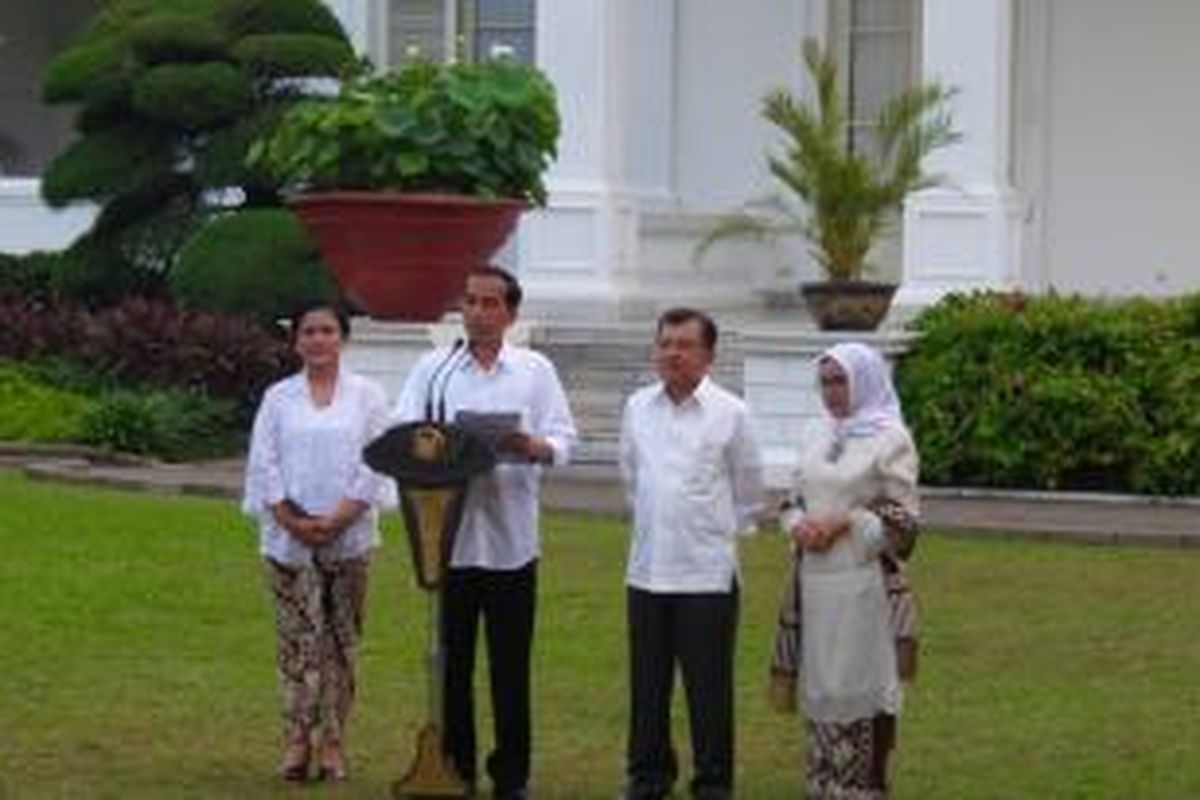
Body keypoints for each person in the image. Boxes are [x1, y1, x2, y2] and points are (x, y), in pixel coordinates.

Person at [393, 266, 577, 800]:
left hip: (512, 542)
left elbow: (565, 439)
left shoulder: (534, 370)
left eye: (489, 303)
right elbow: (401, 430)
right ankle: (457, 768)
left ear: (510, 314)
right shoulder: (435, 369)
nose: (477, 312)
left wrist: (533, 447)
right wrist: (437, 447)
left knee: (510, 667)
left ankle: (511, 776)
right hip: (448, 540)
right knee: (451, 665)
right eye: (469, 301)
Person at [242, 302, 393, 783]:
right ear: (296, 340)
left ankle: (332, 743)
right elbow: (264, 463)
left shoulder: (368, 395)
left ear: (342, 338)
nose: (318, 340)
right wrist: (291, 519)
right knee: (297, 644)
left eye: (327, 330)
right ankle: (296, 740)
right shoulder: (278, 398)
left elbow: (377, 460)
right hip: (288, 542)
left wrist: (340, 517)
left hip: (349, 540)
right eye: (309, 331)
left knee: (341, 643)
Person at [618, 307, 764, 800]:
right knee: (647, 684)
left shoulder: (731, 412)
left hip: (706, 573)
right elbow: (631, 479)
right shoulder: (637, 406)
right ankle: (648, 775)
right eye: (665, 343)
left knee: (708, 686)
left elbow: (748, 490)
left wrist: (711, 529)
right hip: (647, 570)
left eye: (684, 345)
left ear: (709, 355)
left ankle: (713, 780)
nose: (673, 353)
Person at [772, 342, 921, 800]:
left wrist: (846, 522)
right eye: (825, 382)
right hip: (815, 582)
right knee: (822, 682)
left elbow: (906, 517)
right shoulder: (816, 431)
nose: (831, 392)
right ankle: (823, 785)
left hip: (862, 583)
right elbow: (792, 496)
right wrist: (798, 526)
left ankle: (861, 786)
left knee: (858, 681)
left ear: (865, 381)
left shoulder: (890, 438)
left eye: (840, 381)